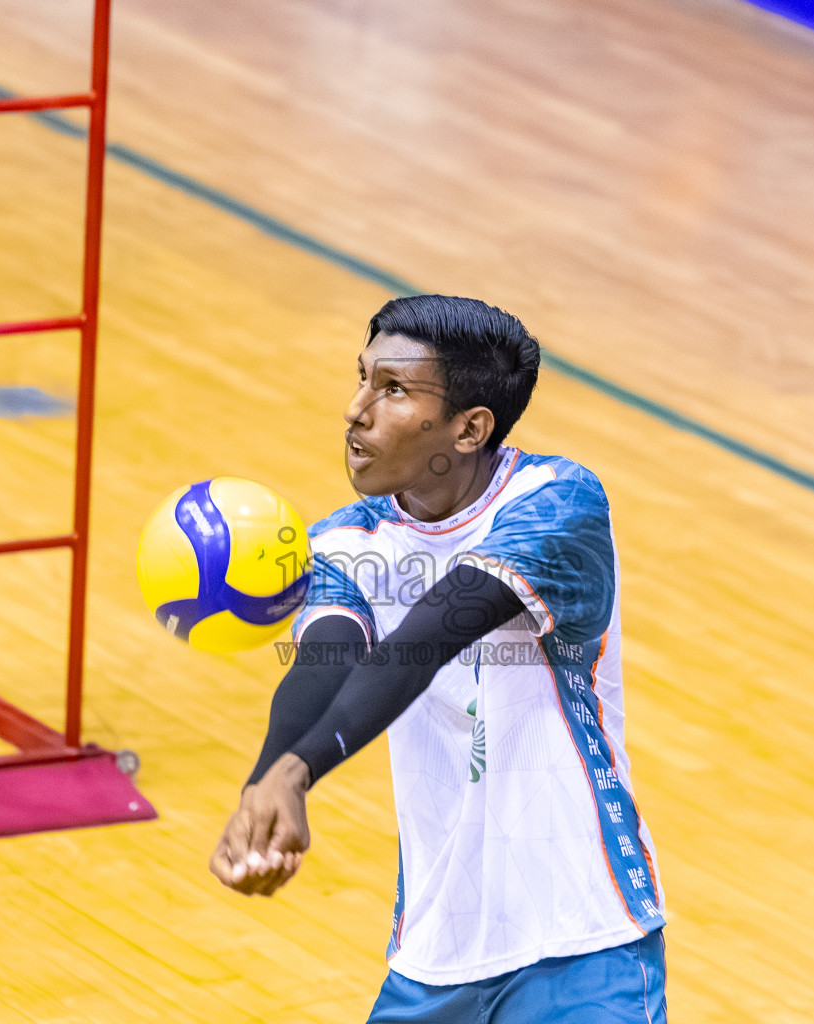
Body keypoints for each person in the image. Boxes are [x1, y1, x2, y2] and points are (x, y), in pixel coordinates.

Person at [210, 295, 666, 1022]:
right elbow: (324, 661)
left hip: (583, 936)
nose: (356, 410)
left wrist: (298, 772)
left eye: (392, 390)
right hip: (435, 951)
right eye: (361, 379)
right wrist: (266, 787)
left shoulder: (556, 503)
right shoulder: (344, 541)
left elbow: (427, 637)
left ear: (469, 427)